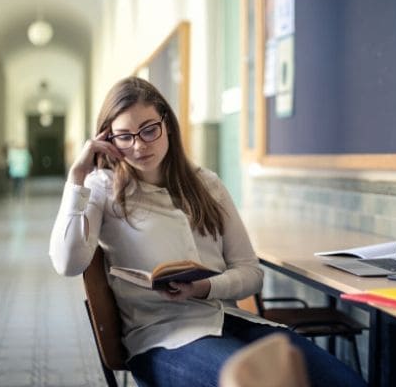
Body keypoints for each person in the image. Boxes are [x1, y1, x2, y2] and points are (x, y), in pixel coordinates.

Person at [48, 76, 366, 387]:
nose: (139, 145)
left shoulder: (206, 184)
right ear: (108, 140)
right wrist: (77, 177)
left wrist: (202, 288)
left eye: (148, 130)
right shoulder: (102, 188)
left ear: (167, 124)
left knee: (345, 381)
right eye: (124, 136)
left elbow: (251, 274)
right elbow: (68, 264)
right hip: (163, 338)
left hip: (231, 322)